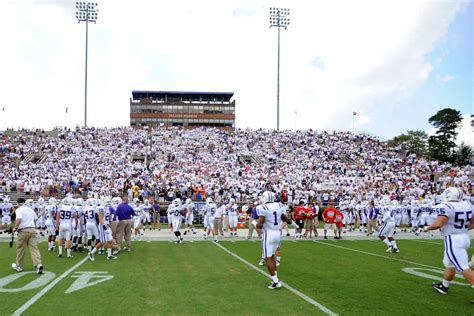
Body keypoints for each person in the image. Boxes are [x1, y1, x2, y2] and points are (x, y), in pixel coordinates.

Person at [423, 187, 474, 302]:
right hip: (464, 237)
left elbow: (438, 224)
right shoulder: (467, 204)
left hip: (453, 239)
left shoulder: (446, 206)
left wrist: (427, 228)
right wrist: (463, 228)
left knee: (463, 267)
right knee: (449, 264)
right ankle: (444, 286)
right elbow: (473, 222)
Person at [254, 191, 294, 289]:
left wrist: (254, 223)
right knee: (272, 257)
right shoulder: (279, 205)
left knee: (268, 258)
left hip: (269, 234)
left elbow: (260, 225)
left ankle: (276, 281)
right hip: (278, 233)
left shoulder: (262, 207)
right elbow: (285, 218)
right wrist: (290, 221)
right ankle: (274, 279)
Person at [11, 198, 44, 274]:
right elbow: (35, 219)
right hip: (32, 229)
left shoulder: (19, 210)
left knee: (20, 248)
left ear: (18, 203)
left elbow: (19, 219)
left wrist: (15, 228)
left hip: (23, 230)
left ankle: (19, 265)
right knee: (34, 248)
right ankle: (38, 264)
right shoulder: (30, 209)